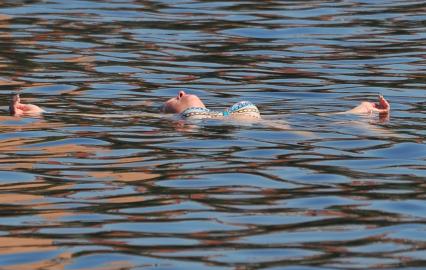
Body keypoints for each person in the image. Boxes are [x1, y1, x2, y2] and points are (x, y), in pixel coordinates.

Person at [9, 91, 390, 118]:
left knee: (296, 121)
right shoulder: (191, 120)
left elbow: (312, 120)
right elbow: (101, 116)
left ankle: (362, 114)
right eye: (172, 98)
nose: (180, 91)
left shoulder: (221, 113)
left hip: (239, 121)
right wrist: (39, 112)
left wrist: (359, 110)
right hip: (225, 125)